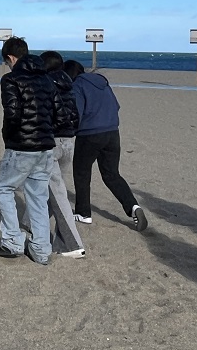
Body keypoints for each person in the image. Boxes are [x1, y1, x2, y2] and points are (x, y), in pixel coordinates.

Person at [0, 37, 63, 266]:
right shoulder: (47, 79)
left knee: (3, 187)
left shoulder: (11, 79)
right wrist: (45, 131)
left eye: (7, 61)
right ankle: (41, 250)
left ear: (11, 58)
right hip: (45, 146)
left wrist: (9, 137)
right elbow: (60, 114)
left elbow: (12, 113)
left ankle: (12, 241)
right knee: (38, 197)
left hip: (21, 145)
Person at [63, 60, 148, 232]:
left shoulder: (77, 85)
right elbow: (116, 106)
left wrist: (69, 129)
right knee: (111, 174)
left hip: (89, 134)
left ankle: (83, 213)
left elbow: (76, 112)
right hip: (112, 132)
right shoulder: (103, 84)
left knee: (81, 172)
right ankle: (133, 206)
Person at [30, 51, 85, 258]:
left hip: (52, 142)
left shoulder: (44, 83)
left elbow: (41, 113)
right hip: (69, 140)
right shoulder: (68, 83)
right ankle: (29, 224)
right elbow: (75, 114)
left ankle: (72, 244)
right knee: (51, 187)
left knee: (57, 192)